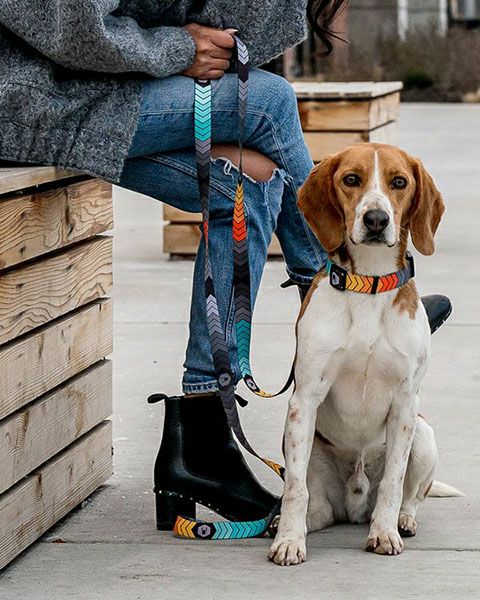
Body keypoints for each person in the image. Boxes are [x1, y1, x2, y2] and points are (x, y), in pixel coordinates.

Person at [0, 0, 451, 530]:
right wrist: (177, 48)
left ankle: (202, 438)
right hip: (30, 93)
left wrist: (192, 43)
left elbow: (211, 33)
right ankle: (349, 289)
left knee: (249, 182)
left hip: (85, 88)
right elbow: (66, 21)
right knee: (269, 102)